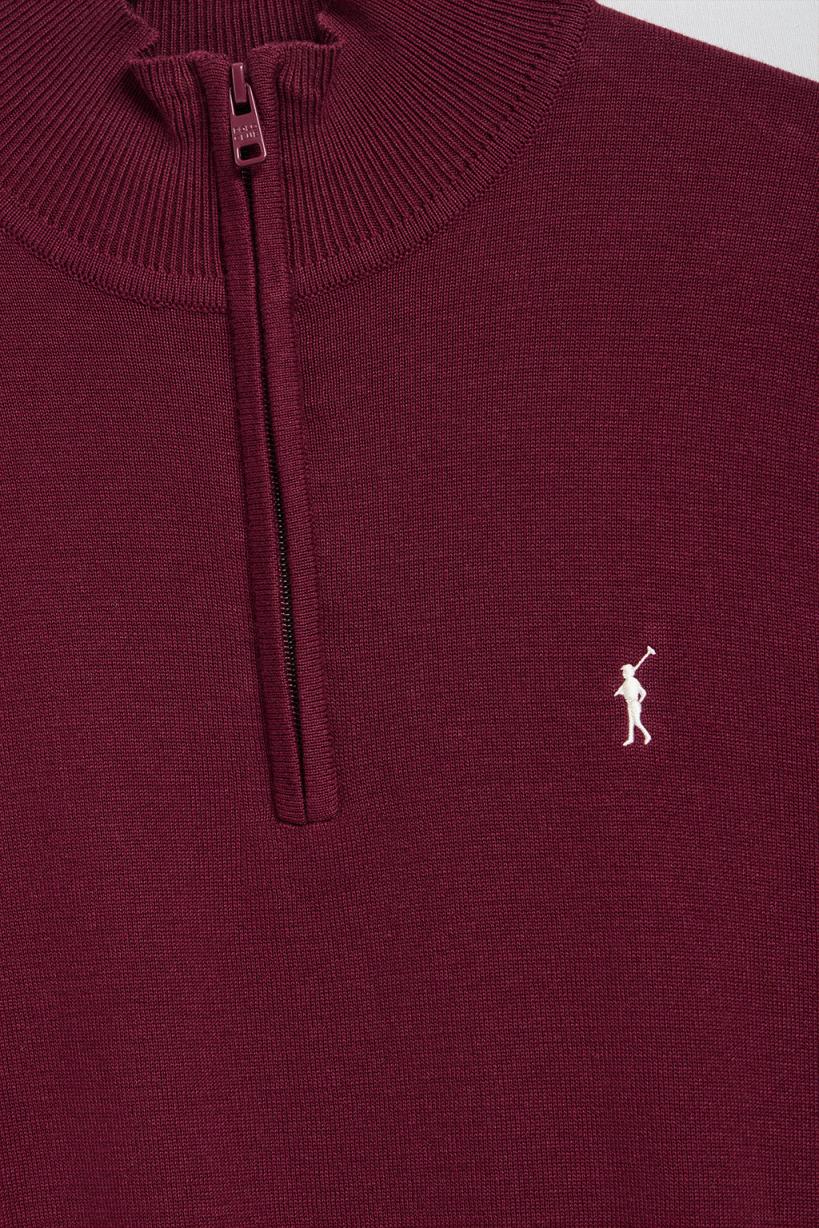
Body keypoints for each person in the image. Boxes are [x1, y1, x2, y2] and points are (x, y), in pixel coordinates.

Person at [615, 663, 652, 746]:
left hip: (634, 703)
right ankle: (630, 738)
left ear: (630, 672)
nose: (623, 674)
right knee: (631, 722)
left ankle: (647, 735)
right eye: (623, 672)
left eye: (625, 672)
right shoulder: (625, 683)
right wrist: (618, 692)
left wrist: (639, 702)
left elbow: (643, 692)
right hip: (629, 704)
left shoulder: (634, 681)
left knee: (637, 722)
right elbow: (621, 691)